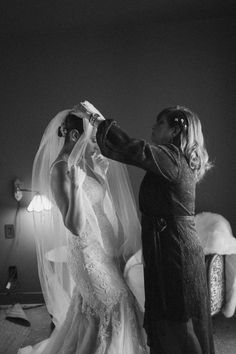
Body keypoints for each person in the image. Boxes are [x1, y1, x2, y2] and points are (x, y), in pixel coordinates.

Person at [74, 101, 215, 354]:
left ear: (174, 130)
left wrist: (96, 120)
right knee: (170, 319)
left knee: (178, 322)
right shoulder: (172, 160)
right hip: (168, 246)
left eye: (159, 123)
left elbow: (134, 149)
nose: (153, 126)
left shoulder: (172, 158)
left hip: (176, 251)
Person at [18, 109, 147, 353]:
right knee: (115, 304)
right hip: (87, 254)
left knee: (105, 310)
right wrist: (76, 187)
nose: (94, 144)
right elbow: (75, 225)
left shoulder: (78, 165)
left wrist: (102, 176)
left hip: (103, 251)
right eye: (90, 139)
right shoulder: (59, 169)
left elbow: (98, 207)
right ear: (75, 136)